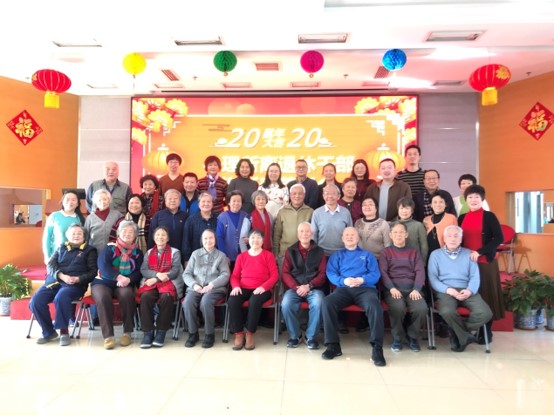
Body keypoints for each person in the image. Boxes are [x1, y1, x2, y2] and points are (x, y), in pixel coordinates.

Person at [321, 227, 386, 367]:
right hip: (344, 289)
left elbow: (375, 274)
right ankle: (333, 345)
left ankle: (377, 348)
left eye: (353, 235)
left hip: (365, 289)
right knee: (327, 302)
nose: (349, 237)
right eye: (347, 235)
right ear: (342, 238)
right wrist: (343, 281)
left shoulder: (367, 255)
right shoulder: (337, 256)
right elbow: (331, 273)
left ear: (358, 238)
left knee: (375, 306)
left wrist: (362, 280)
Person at [30, 224, 98, 346]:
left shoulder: (90, 250)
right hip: (55, 281)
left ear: (84, 236)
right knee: (36, 301)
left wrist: (78, 279)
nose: (76, 236)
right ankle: (48, 332)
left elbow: (93, 272)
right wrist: (61, 276)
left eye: (79, 233)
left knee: (61, 297)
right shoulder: (61, 247)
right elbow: (50, 265)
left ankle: (64, 332)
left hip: (75, 285)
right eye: (73, 233)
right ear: (67, 236)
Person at [428, 225, 493, 352]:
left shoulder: (469, 254)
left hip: (467, 289)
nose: (453, 239)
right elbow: (433, 279)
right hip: (446, 291)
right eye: (449, 236)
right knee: (447, 311)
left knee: (485, 313)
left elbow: (475, 276)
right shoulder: (435, 255)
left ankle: (457, 333)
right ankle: (463, 335)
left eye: (456, 236)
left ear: (461, 239)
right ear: (444, 238)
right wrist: (448, 290)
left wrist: (469, 290)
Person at [458, 184, 504, 344]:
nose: (473, 200)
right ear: (466, 200)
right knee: (471, 296)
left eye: (476, 197)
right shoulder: (462, 217)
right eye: (470, 197)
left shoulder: (489, 216)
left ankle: (486, 331)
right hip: (466, 264)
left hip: (484, 262)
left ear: (482, 199)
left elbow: (499, 238)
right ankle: (473, 327)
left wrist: (480, 251)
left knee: (486, 296)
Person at [92, 221, 144, 349]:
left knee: (127, 295)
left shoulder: (137, 253)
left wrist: (129, 279)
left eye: (130, 232)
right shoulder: (109, 248)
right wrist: (118, 277)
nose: (127, 234)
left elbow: (139, 272)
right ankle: (108, 336)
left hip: (125, 283)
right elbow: (103, 266)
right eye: (124, 231)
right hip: (103, 281)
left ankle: (127, 333)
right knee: (102, 297)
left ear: (135, 235)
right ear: (119, 233)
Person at [378, 222, 427, 352]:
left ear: (406, 234)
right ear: (390, 235)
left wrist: (416, 289)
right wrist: (391, 288)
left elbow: (420, 272)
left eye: (401, 232)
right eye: (395, 232)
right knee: (397, 308)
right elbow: (383, 272)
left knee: (421, 308)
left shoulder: (414, 252)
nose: (398, 235)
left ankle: (412, 337)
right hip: (393, 289)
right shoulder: (385, 252)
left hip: (412, 289)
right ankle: (397, 338)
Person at [227, 229, 279, 351]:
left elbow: (274, 275)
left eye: (258, 237)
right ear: (248, 241)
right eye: (253, 238)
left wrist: (263, 287)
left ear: (263, 241)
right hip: (243, 287)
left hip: (262, 289)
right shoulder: (241, 256)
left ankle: (250, 333)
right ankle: (239, 333)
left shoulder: (268, 255)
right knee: (233, 300)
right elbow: (234, 276)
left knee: (254, 301)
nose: (255, 240)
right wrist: (236, 286)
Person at [281, 222, 326, 349]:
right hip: (295, 288)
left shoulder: (319, 251)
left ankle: (310, 337)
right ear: (297, 234)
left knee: (318, 302)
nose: (304, 234)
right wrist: (296, 287)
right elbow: (285, 273)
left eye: (307, 231)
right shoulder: (290, 251)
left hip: (314, 288)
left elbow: (323, 274)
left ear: (312, 234)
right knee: (286, 304)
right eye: (301, 231)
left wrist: (309, 286)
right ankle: (295, 336)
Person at [182, 229, 230, 348]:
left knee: (205, 302)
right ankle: (193, 334)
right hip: (196, 288)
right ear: (201, 240)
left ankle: (209, 334)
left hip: (215, 289)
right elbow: (186, 274)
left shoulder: (221, 255)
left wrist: (212, 285)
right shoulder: (195, 254)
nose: (208, 240)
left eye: (211, 238)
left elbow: (225, 274)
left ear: (215, 240)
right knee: (187, 302)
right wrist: (194, 285)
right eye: (205, 238)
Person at [138, 226, 183, 348]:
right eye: (157, 235)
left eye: (163, 235)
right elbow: (144, 270)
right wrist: (157, 275)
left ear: (168, 238)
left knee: (166, 297)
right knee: (145, 297)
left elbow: (174, 272)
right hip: (152, 283)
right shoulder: (149, 253)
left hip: (170, 282)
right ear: (154, 238)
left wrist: (156, 279)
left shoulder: (175, 252)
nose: (160, 237)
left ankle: (161, 332)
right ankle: (148, 332)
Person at [272, 184, 314, 264]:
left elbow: (313, 235)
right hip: (285, 253)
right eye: (294, 193)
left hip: (304, 254)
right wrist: (276, 253)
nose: (297, 196)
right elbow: (277, 234)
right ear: (290, 195)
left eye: (300, 193)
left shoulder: (310, 211)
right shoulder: (282, 211)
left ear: (304, 195)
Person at [42, 190, 86, 264]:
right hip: (57, 256)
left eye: (73, 200)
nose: (70, 202)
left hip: (75, 258)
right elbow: (47, 237)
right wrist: (47, 256)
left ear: (77, 204)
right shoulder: (54, 216)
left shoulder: (81, 219)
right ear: (62, 201)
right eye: (67, 199)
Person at [311, 184, 353, 257]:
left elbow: (350, 232)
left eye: (333, 193)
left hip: (342, 253)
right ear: (323, 196)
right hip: (322, 253)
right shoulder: (317, 213)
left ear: (338, 196)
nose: (330, 196)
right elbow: (313, 235)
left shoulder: (345, 212)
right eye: (327, 193)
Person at [148, 189, 188, 258]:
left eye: (175, 198)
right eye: (170, 198)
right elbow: (152, 235)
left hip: (181, 253)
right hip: (161, 253)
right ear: (165, 201)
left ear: (180, 201)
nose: (172, 200)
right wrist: (151, 253)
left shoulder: (185, 216)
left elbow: (188, 237)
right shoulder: (158, 215)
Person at [182, 193, 218, 265]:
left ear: (212, 204)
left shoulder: (218, 218)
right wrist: (187, 259)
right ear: (198, 204)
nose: (206, 204)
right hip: (196, 259)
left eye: (209, 202)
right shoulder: (191, 220)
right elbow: (186, 240)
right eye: (203, 201)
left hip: (215, 258)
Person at [216, 190, 249, 267]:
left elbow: (251, 232)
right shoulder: (222, 217)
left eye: (239, 201)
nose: (236, 203)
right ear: (229, 202)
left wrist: (249, 238)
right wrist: (224, 255)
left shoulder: (246, 216)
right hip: (228, 256)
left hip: (243, 255)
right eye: (234, 201)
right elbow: (219, 237)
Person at [84, 189, 123, 253]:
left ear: (109, 201)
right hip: (94, 253)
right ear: (95, 202)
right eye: (99, 200)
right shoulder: (89, 218)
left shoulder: (117, 215)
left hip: (114, 253)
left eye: (105, 199)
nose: (102, 202)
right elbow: (85, 238)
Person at [393, 197, 428, 263]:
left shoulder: (418, 225)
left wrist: (422, 263)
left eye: (407, 208)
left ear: (412, 211)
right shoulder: (392, 225)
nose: (404, 211)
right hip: (396, 261)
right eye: (401, 208)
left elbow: (424, 246)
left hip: (414, 261)